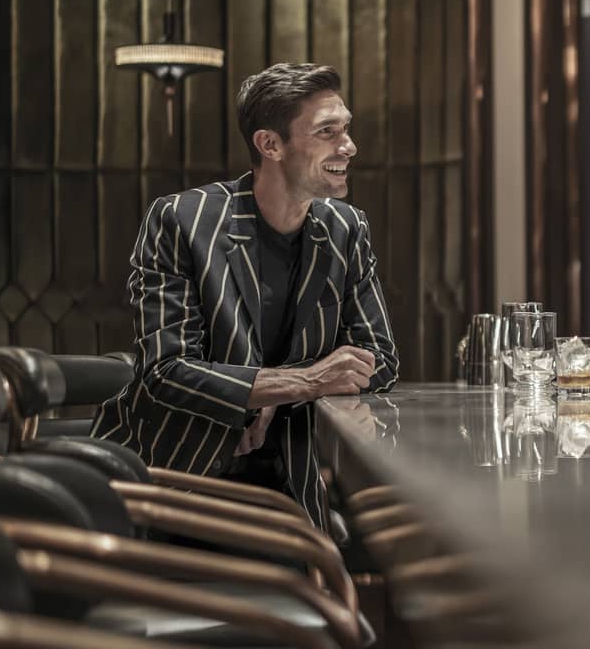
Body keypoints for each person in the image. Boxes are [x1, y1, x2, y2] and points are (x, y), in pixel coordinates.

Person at [93, 63, 399, 529]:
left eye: (347, 128)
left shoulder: (346, 228)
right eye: (327, 131)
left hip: (291, 486)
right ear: (270, 144)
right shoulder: (181, 221)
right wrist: (307, 382)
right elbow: (166, 371)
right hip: (171, 484)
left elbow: (381, 359)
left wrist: (273, 391)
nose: (349, 146)